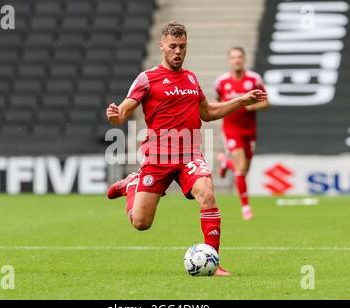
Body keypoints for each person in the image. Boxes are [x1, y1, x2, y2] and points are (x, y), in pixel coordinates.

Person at [106, 22, 266, 276]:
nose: (178, 51)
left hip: (189, 155)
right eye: (173, 46)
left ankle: (214, 263)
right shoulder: (147, 78)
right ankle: (133, 185)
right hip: (158, 158)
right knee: (140, 223)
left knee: (208, 195)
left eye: (182, 46)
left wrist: (240, 101)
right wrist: (115, 117)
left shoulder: (191, 78)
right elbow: (124, 111)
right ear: (162, 46)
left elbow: (208, 112)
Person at [215, 47, 270, 220]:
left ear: (244, 59)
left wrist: (252, 106)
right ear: (229, 60)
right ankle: (246, 207)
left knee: (244, 170)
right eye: (233, 57)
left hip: (249, 130)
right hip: (231, 129)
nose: (237, 60)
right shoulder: (222, 82)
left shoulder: (254, 79)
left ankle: (224, 162)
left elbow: (266, 102)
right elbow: (216, 104)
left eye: (239, 57)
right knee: (240, 168)